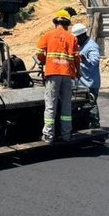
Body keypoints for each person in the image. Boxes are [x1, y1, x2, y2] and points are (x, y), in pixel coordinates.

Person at [35, 9, 80, 143]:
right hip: (67, 75)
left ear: (56, 23)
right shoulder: (72, 38)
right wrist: (79, 72)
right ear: (67, 24)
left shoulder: (47, 36)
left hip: (52, 73)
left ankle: (48, 136)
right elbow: (77, 58)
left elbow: (39, 54)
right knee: (66, 105)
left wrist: (44, 61)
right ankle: (66, 135)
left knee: (50, 105)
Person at [71, 22, 101, 129]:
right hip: (81, 82)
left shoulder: (91, 46)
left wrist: (84, 59)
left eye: (77, 38)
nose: (76, 40)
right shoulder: (81, 45)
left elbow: (95, 62)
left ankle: (95, 126)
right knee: (81, 106)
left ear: (83, 35)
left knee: (91, 104)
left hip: (90, 83)